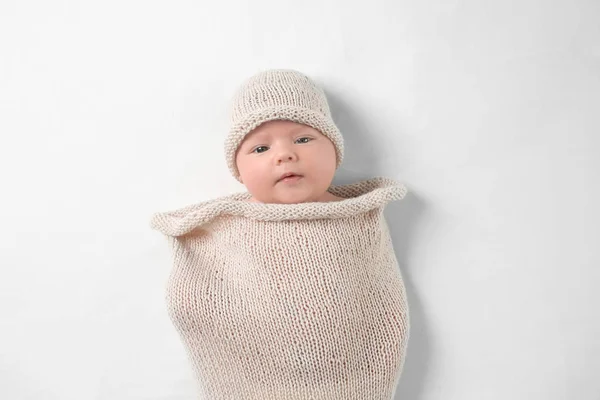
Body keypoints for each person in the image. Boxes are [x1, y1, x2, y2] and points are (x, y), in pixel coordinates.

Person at [150, 68, 410, 400]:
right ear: (240, 173)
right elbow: (197, 302)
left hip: (352, 380)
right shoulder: (223, 227)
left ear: (335, 151)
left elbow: (378, 303)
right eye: (260, 149)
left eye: (303, 139)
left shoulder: (361, 216)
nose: (284, 155)